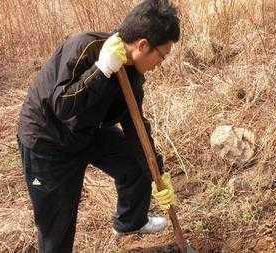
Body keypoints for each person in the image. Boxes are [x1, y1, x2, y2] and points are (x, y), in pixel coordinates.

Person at [17, 0, 180, 252]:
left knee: (135, 164)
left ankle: (130, 223)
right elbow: (62, 105)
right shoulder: (86, 47)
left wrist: (157, 173)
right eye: (162, 55)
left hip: (88, 131)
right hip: (48, 139)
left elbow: (137, 126)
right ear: (143, 45)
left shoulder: (133, 75)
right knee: (57, 226)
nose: (161, 63)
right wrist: (101, 70)